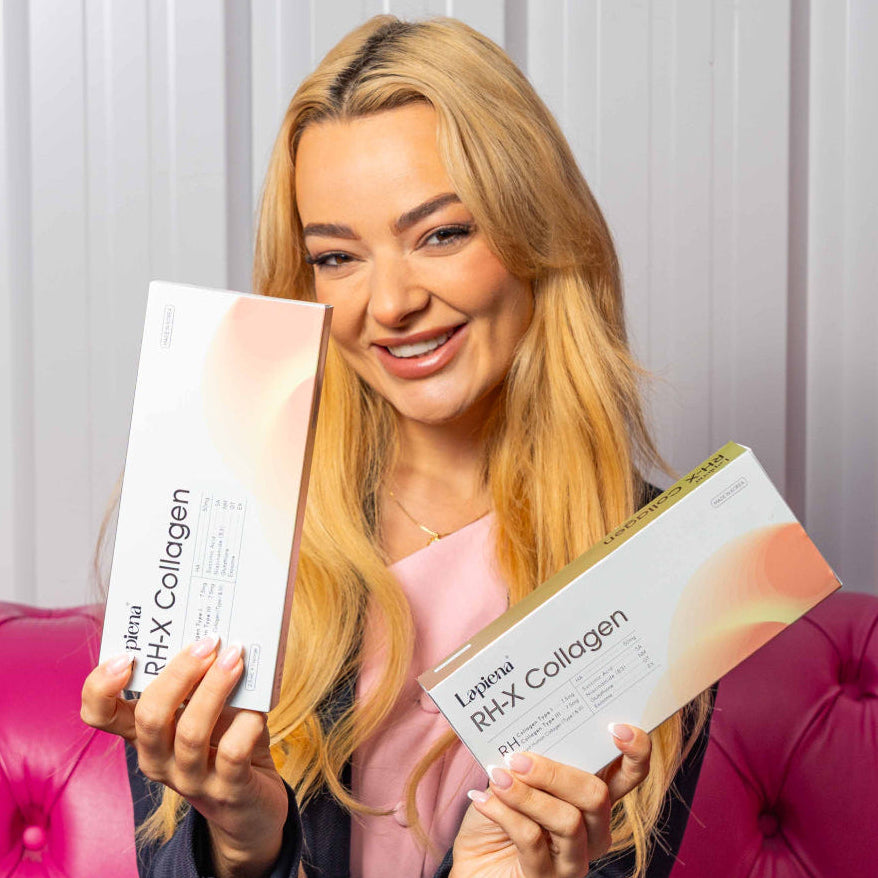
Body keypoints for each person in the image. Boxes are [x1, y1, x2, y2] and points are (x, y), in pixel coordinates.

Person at [81, 15, 713, 878]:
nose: (389, 305)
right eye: (338, 257)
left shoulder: (665, 567)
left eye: (441, 234)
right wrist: (240, 842)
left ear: (536, 230)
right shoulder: (224, 508)